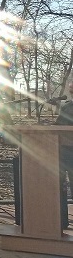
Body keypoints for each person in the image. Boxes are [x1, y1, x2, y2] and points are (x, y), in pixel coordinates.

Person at [55, 81, 73, 228]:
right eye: (71, 90)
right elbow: (58, 125)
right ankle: (61, 221)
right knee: (59, 187)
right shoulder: (66, 106)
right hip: (63, 152)